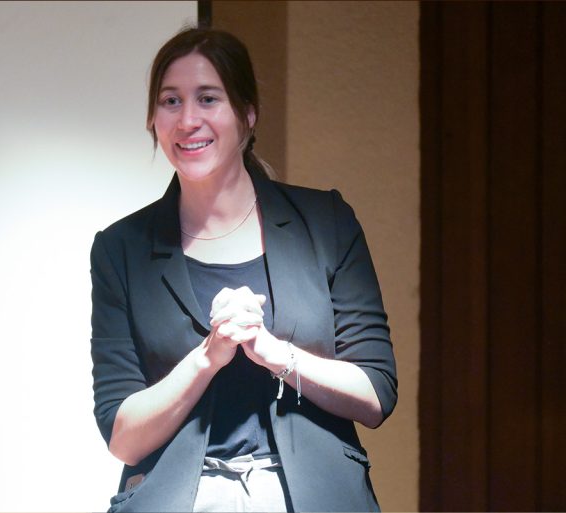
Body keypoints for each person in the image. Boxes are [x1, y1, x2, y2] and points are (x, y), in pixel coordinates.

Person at [90, 27, 397, 513]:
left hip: (312, 497)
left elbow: (376, 394)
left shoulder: (326, 224)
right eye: (171, 101)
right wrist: (207, 357)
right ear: (153, 120)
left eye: (208, 98)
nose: (188, 120)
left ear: (247, 114)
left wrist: (275, 354)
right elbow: (124, 438)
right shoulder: (120, 249)